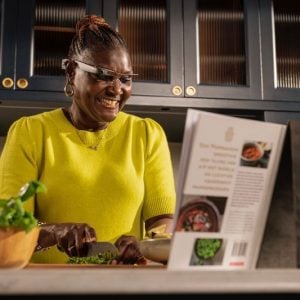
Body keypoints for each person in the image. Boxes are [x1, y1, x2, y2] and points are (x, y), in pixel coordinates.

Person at [0, 15, 176, 264]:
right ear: (72, 72)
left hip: (125, 284)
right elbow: (9, 225)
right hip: (44, 286)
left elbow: (162, 220)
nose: (117, 89)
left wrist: (146, 244)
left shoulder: (147, 135)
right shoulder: (30, 132)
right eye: (103, 75)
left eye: (125, 79)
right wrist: (53, 232)